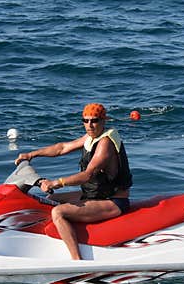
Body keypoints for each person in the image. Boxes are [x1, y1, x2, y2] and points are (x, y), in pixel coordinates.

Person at [14, 103, 132, 260]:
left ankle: (76, 259)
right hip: (95, 194)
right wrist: (31, 155)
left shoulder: (105, 144)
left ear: (104, 121)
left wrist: (57, 182)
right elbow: (62, 148)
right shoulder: (91, 137)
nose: (89, 125)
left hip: (113, 201)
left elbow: (87, 175)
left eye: (94, 121)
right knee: (50, 200)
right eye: (86, 120)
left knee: (58, 212)